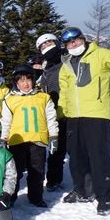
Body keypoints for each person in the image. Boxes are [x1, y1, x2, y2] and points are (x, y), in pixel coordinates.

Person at [58, 27, 110, 215]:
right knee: (76, 158)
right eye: (69, 43)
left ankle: (106, 197)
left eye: (76, 40)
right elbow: (64, 92)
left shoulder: (99, 54)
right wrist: (61, 114)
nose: (73, 44)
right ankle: (83, 191)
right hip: (73, 117)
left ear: (83, 39)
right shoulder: (66, 64)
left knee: (98, 157)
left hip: (96, 115)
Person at [0, 64, 58, 208]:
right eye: (21, 81)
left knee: (37, 171)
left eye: (28, 79)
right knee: (15, 171)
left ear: (33, 80)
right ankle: (11, 197)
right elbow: (6, 121)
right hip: (17, 141)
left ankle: (36, 197)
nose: (25, 83)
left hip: (37, 140)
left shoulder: (44, 98)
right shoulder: (10, 99)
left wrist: (54, 136)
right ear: (16, 83)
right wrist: (3, 138)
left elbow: (51, 118)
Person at [35, 33, 68, 191]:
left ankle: (85, 183)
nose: (47, 46)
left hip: (71, 112)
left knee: (76, 149)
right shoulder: (45, 68)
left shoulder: (67, 59)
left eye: (49, 42)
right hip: (54, 114)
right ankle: (54, 180)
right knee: (57, 150)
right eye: (43, 45)